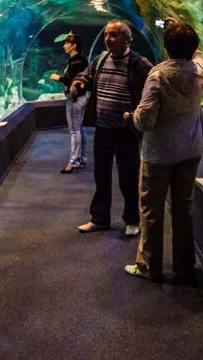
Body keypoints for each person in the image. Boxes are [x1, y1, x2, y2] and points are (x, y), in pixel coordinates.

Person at [123, 19, 203, 285]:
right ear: (193, 46)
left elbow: (145, 120)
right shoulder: (199, 71)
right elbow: (200, 56)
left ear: (165, 46)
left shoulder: (158, 75)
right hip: (190, 149)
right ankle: (184, 267)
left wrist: (131, 116)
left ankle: (149, 265)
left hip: (159, 154)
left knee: (151, 209)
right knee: (183, 208)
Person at [69, 19, 153, 236]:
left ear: (126, 38)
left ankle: (132, 220)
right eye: (107, 34)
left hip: (126, 131)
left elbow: (154, 86)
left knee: (128, 177)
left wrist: (139, 116)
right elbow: (86, 75)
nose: (108, 38)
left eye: (114, 35)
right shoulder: (101, 59)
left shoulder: (138, 63)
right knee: (101, 175)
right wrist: (78, 83)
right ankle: (100, 218)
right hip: (103, 128)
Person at [50, 32, 89, 173]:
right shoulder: (79, 60)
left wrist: (58, 78)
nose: (64, 45)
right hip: (80, 98)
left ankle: (74, 162)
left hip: (76, 99)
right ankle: (82, 159)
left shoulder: (76, 61)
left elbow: (74, 82)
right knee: (80, 129)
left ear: (74, 45)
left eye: (67, 43)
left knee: (74, 130)